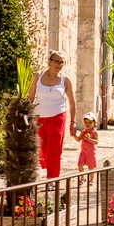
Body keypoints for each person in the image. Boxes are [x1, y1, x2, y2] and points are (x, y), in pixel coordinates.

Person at [27, 50, 77, 179]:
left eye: (62, 62)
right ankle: (48, 168)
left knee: (54, 150)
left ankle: (52, 178)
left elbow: (72, 102)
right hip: (39, 119)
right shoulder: (38, 76)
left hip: (58, 117)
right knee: (42, 149)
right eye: (57, 61)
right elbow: (30, 97)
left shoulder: (65, 80)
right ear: (50, 61)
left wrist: (73, 122)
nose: (59, 64)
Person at [74, 111, 99, 185]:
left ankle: (91, 180)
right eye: (86, 122)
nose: (87, 124)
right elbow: (78, 139)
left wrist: (88, 139)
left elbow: (96, 142)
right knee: (79, 164)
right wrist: (74, 135)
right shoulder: (83, 132)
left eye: (90, 122)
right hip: (83, 151)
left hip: (91, 152)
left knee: (91, 167)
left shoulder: (94, 132)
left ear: (94, 123)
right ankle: (82, 178)